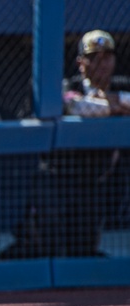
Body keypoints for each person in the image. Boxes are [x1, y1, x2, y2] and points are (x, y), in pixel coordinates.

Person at [52, 30, 130, 257]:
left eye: (106, 57)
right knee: (59, 241)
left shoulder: (122, 83)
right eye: (93, 57)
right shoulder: (69, 85)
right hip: (66, 176)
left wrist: (106, 103)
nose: (101, 64)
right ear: (81, 63)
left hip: (104, 177)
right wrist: (115, 106)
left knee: (87, 243)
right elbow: (76, 107)